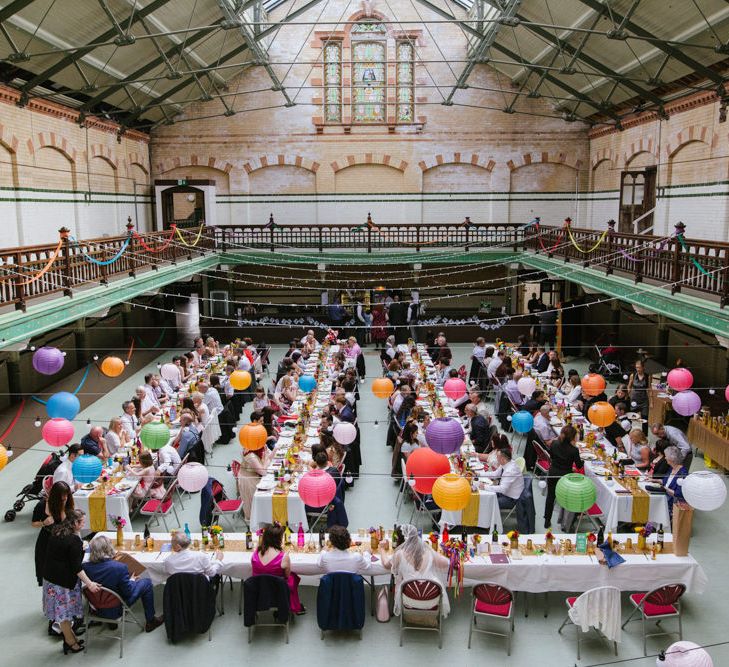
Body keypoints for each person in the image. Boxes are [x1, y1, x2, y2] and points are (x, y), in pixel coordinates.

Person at [42, 510, 101, 654]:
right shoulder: (73, 540)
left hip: (50, 579)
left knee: (63, 615)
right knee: (65, 616)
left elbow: (65, 553)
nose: (84, 524)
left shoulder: (57, 531)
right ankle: (70, 642)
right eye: (82, 522)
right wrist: (90, 584)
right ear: (74, 523)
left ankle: (70, 638)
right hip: (62, 583)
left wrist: (80, 545)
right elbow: (77, 568)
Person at [83, 535, 164, 632]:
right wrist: (132, 580)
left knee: (109, 590)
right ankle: (151, 620)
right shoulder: (119, 567)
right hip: (117, 608)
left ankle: (111, 624)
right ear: (108, 548)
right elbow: (128, 592)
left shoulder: (85, 568)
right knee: (146, 582)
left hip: (96, 609)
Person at [379, 523, 450, 618]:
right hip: (432, 599)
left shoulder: (399, 554)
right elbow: (446, 563)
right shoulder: (428, 552)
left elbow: (386, 564)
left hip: (409, 598)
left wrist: (382, 549)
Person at [252, 524, 304, 614]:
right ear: (279, 539)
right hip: (277, 592)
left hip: (258, 590)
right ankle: (293, 606)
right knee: (292, 577)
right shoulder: (283, 557)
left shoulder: (255, 554)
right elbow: (287, 575)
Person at [34, 481, 75, 591]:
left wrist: (62, 507)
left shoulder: (68, 504)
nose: (64, 497)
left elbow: (66, 523)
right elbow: (34, 523)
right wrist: (43, 523)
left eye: (66, 494)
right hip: (47, 541)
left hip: (63, 541)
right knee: (48, 573)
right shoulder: (42, 505)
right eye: (62, 495)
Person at [544, 425, 583, 529]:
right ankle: (565, 522)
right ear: (572, 437)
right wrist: (581, 460)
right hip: (565, 476)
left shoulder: (555, 443)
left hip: (553, 473)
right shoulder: (574, 450)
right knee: (566, 498)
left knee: (550, 497)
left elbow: (552, 457)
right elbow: (579, 465)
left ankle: (547, 520)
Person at [317, 525, 382, 573]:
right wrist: (366, 553)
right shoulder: (356, 557)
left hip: (332, 589)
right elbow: (367, 567)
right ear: (348, 541)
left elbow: (319, 564)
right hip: (351, 589)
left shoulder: (325, 556)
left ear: (331, 542)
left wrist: (323, 551)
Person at [237, 444, 272, 520]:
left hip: (253, 475)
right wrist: (266, 457)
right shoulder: (251, 456)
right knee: (255, 500)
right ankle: (257, 520)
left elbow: (268, 458)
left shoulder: (254, 448)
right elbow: (263, 472)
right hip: (249, 479)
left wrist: (269, 454)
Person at [659, 446, 688, 519]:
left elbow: (678, 493)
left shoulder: (682, 473)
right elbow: (665, 481)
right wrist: (653, 480)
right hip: (665, 496)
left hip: (672, 502)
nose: (665, 458)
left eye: (666, 456)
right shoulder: (672, 468)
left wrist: (665, 489)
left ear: (671, 459)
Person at [627, 359, 649, 432]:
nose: (638, 369)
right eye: (636, 367)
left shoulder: (647, 376)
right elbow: (629, 386)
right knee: (630, 417)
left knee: (645, 420)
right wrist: (627, 395)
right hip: (634, 400)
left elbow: (650, 389)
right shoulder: (633, 375)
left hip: (644, 401)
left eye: (639, 367)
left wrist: (651, 402)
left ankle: (645, 437)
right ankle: (627, 432)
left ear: (643, 367)